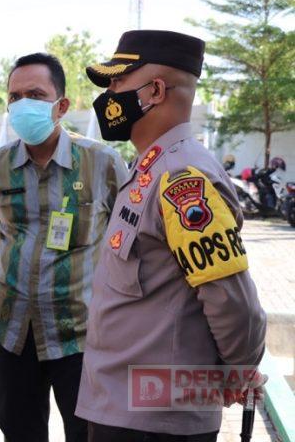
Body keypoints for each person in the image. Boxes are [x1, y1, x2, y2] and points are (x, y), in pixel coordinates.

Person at [75, 30, 267, 441]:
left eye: (117, 82)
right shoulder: (152, 167)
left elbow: (233, 301)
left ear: (155, 91)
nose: (109, 95)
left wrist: (239, 370)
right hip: (124, 407)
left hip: (153, 420)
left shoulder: (182, 178)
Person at [0, 53, 128, 442]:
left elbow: (124, 240)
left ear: (61, 105)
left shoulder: (103, 163)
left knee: (88, 434)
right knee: (19, 432)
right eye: (15, 97)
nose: (23, 104)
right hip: (12, 329)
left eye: (36, 95)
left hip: (81, 333)